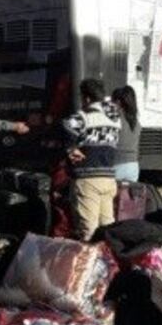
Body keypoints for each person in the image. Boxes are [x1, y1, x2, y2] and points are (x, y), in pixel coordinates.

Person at [63, 78, 121, 240]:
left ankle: (89, 263)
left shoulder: (84, 117)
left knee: (88, 230)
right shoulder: (114, 116)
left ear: (86, 98)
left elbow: (67, 125)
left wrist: (71, 148)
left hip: (88, 179)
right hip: (108, 178)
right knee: (107, 228)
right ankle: (108, 262)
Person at [111, 85, 141, 182]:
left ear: (118, 102)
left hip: (117, 165)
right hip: (133, 166)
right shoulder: (136, 122)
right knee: (127, 197)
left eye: (112, 101)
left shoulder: (115, 119)